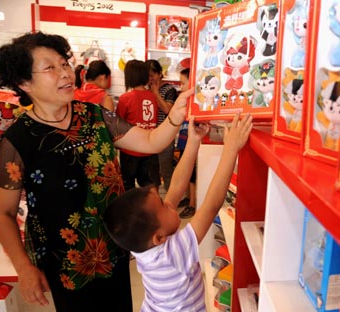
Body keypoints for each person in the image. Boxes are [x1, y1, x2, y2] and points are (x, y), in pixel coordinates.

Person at [0, 31, 192, 312]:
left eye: (64, 64)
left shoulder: (95, 116)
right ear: (24, 82)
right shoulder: (18, 140)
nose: (65, 73)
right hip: (65, 262)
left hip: (113, 250)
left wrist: (176, 114)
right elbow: (2, 213)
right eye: (51, 67)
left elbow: (150, 141)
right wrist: (24, 268)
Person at [103, 113, 253, 311]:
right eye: (164, 205)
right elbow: (211, 205)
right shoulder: (172, 255)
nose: (170, 203)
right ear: (159, 238)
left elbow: (175, 188)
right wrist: (231, 149)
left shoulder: (142, 244)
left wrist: (193, 141)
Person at [116, 59, 161, 191]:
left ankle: (131, 212)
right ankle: (153, 210)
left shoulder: (125, 98)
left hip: (129, 150)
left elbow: (119, 124)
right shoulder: (153, 97)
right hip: (150, 148)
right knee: (151, 187)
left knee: (128, 187)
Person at [146, 59, 178, 192]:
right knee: (151, 173)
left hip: (165, 136)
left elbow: (167, 109)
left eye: (152, 75)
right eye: (147, 76)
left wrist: (155, 92)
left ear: (160, 74)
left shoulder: (170, 89)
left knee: (166, 170)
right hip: (149, 136)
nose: (150, 79)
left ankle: (169, 202)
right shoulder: (146, 89)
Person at [176, 67, 197, 218]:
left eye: (183, 83)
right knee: (187, 174)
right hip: (184, 142)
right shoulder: (185, 102)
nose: (181, 86)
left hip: (192, 143)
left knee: (193, 176)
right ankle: (189, 198)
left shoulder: (196, 103)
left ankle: (193, 204)